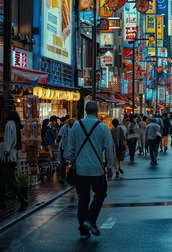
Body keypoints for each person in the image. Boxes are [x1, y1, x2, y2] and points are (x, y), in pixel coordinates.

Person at [67, 100, 114, 240]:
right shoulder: (103, 127)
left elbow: (70, 150)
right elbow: (109, 148)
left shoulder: (76, 125)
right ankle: (90, 220)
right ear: (97, 111)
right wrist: (110, 166)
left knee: (83, 199)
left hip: (80, 170)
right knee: (100, 194)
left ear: (85, 111)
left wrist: (73, 159)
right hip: (97, 169)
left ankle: (83, 230)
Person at [0, 110, 29, 212]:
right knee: (5, 178)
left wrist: (5, 150)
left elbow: (7, 140)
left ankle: (22, 200)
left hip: (7, 156)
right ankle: (3, 201)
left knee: (8, 179)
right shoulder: (16, 125)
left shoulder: (9, 125)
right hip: (12, 155)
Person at [58, 118, 75, 183]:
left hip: (66, 147)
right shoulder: (74, 128)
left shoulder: (64, 127)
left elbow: (59, 136)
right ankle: (65, 176)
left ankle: (65, 177)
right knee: (67, 162)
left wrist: (57, 142)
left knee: (63, 162)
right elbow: (59, 136)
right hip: (67, 147)